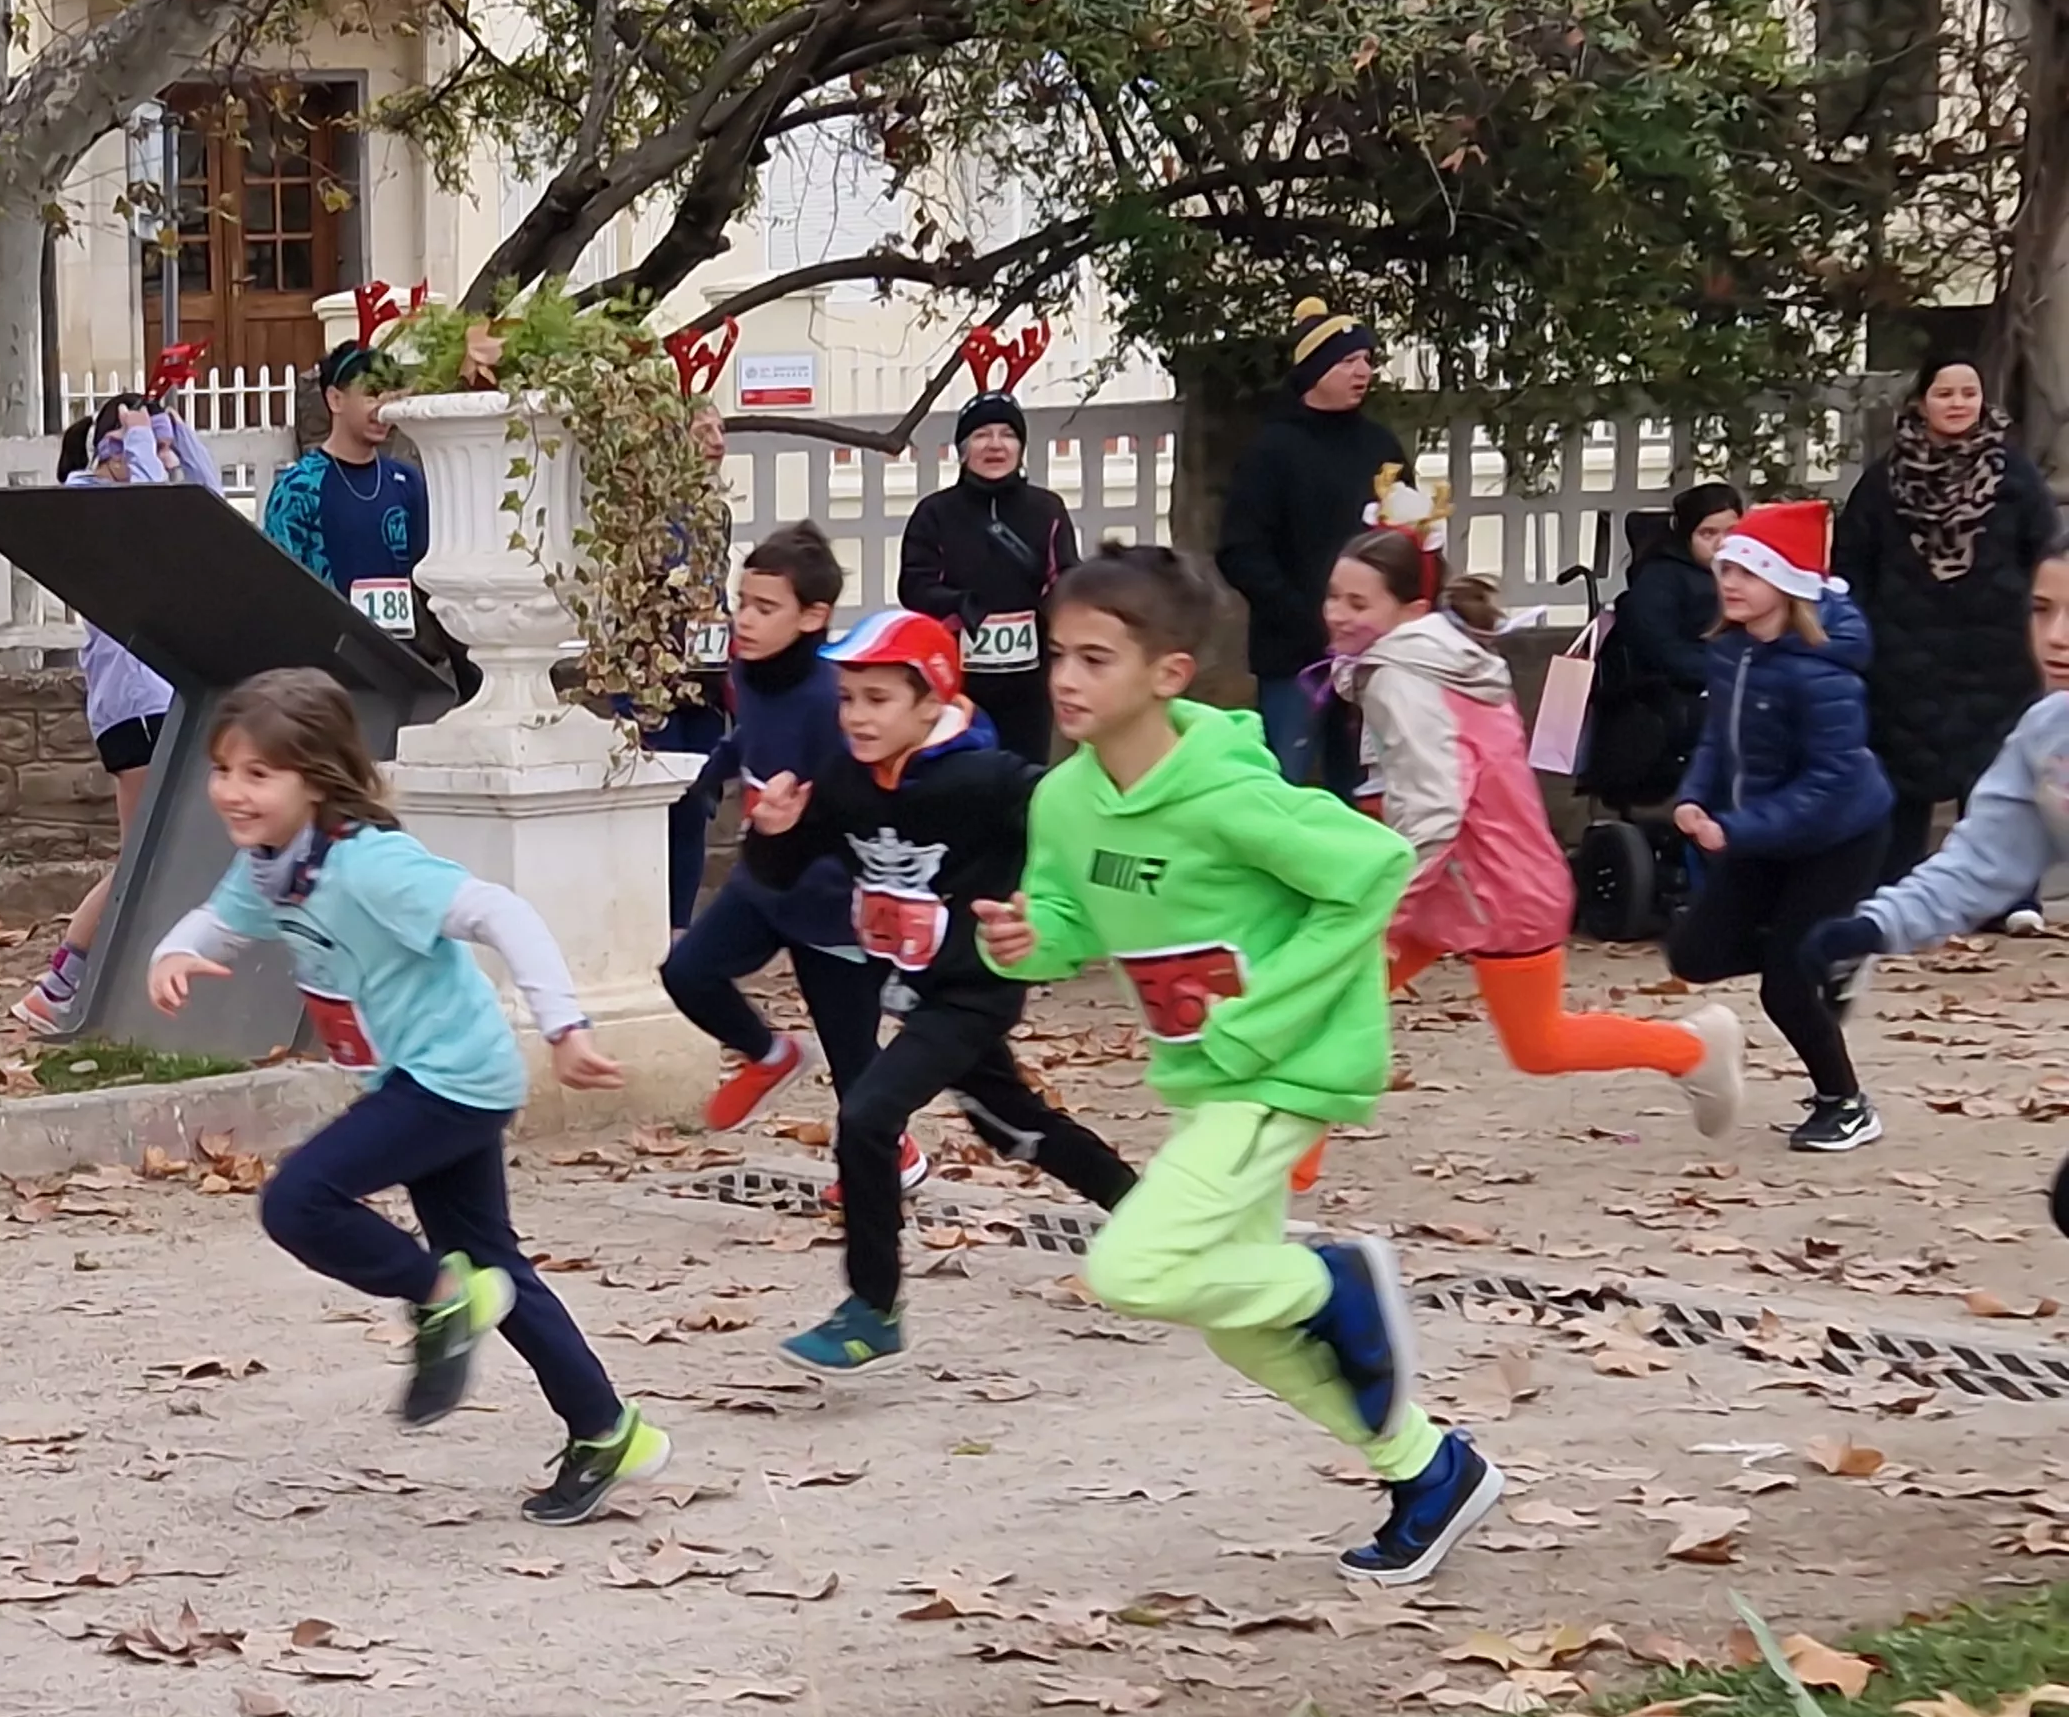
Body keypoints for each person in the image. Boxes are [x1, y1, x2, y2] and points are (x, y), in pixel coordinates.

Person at [977, 544, 1506, 1587]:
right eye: (1057, 656)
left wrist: (1262, 1020)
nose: (1067, 680)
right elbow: (1067, 923)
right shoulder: (1064, 801)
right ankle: (1429, 1466)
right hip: (1202, 1073)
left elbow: (1372, 865)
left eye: (1095, 659)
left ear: (1167, 674)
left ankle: (1328, 1278)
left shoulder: (1225, 793)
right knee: (1231, 1323)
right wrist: (1019, 938)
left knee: (1135, 1267)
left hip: (1282, 1066)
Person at [147, 668, 667, 1527]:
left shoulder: (369, 865)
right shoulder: (276, 861)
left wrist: (564, 1026)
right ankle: (607, 1430)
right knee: (494, 1262)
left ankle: (439, 1299)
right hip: (414, 1077)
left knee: (298, 1201)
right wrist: (174, 950)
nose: (232, 793)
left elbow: (502, 912)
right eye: (224, 769)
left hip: (452, 1080)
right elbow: (221, 917)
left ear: (315, 780)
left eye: (257, 774)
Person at [738, 612, 1138, 1370]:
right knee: (1010, 1121)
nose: (856, 715)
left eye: (878, 699)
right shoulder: (848, 779)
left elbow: (1076, 827)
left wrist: (1049, 907)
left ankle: (873, 1308)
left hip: (979, 983)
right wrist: (774, 833)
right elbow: (783, 874)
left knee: (868, 1115)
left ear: (932, 702)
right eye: (849, 697)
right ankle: (1147, 1213)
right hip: (914, 984)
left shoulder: (988, 781)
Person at [1320, 525, 1744, 1135]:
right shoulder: (1436, 658)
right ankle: (1281, 1163)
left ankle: (1690, 1051)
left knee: (1538, 1044)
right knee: (1328, 1001)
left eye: (1358, 603)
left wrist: (1383, 904)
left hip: (1491, 887)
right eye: (1333, 595)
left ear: (1410, 610)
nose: (1337, 614)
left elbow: (1436, 805)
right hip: (1469, 881)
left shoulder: (1402, 677)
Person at [1798, 541, 2069, 1130]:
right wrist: (1872, 926)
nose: (2055, 636)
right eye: (2042, 609)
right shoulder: (2049, 731)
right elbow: (1982, 859)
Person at [662, 526, 899, 1179]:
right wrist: (712, 771)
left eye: (766, 608)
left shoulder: (834, 700)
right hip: (764, 882)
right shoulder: (745, 671)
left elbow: (867, 799)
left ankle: (882, 1168)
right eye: (743, 601)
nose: (746, 619)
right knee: (686, 974)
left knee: (855, 1062)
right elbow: (751, 740)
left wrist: (811, 820)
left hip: (832, 902)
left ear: (814, 617)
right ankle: (769, 1054)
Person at [1665, 501, 1891, 1152]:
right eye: (1727, 569)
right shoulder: (1732, 653)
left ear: (1789, 584)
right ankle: (1831, 956)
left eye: (1750, 573)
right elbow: (1717, 741)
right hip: (1756, 831)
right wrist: (1694, 798)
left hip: (1836, 836)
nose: (1731, 583)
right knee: (1693, 954)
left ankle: (1846, 1104)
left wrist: (1738, 830)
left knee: (1786, 988)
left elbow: (1830, 786)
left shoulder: (1824, 676)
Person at [15, 392, 221, 1036]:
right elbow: (152, 516)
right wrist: (134, 442)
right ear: (111, 454)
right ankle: (61, 984)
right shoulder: (91, 502)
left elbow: (204, 500)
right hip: (134, 711)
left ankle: (99, 982)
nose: (161, 462)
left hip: (162, 701)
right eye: (147, 450)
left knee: (161, 853)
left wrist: (173, 430)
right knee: (141, 860)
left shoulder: (136, 491)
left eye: (163, 451)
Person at [1836, 356, 2063, 885]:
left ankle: (2009, 895)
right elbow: (1852, 567)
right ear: (1921, 402)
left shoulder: (2015, 476)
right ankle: (1900, 893)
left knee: (1998, 778)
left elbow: (2047, 559)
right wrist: (1864, 639)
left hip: (1998, 655)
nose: (1958, 404)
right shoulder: (1883, 480)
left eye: (1969, 393)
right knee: (1903, 781)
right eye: (1945, 393)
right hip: (1904, 656)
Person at [1214, 296, 1411, 788]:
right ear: (1314, 370)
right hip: (1295, 660)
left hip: (1374, 656)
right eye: (1347, 361)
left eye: (1367, 360)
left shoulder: (1380, 446)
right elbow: (1240, 551)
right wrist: (1308, 618)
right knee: (1286, 784)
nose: (1361, 371)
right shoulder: (1271, 451)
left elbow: (1406, 533)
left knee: (1369, 787)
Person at [898, 382, 1072, 762]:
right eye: (982, 435)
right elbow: (914, 585)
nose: (996, 445)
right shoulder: (935, 513)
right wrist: (959, 605)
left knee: (1025, 780)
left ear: (1021, 449)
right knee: (961, 778)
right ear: (962, 450)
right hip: (956, 681)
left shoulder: (1048, 509)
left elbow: (1067, 583)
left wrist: (1047, 618)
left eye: (1008, 434)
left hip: (1029, 682)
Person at [636, 398, 741, 930]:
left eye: (720, 429)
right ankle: (647, 926)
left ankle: (679, 928)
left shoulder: (717, 513)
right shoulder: (643, 513)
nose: (715, 441)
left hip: (703, 675)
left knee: (698, 799)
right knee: (657, 800)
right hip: (650, 676)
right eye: (702, 430)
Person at [1585, 482, 1747, 813]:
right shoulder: (1661, 579)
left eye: (1731, 531)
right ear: (1687, 535)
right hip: (1678, 689)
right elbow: (1660, 648)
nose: (1721, 543)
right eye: (1708, 533)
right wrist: (1723, 671)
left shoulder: (1749, 576)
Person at [259, 342, 430, 597]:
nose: (382, 409)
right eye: (372, 394)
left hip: (401, 636)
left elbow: (424, 575)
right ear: (335, 399)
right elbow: (281, 587)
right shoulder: (298, 487)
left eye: (390, 395)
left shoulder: (407, 481)